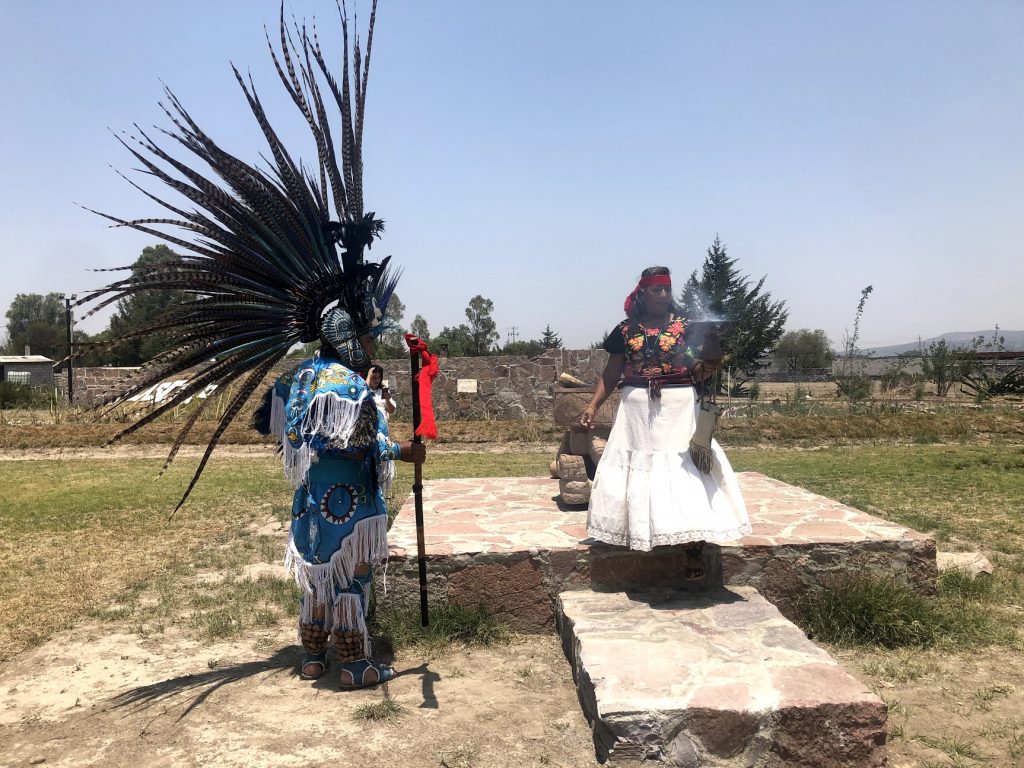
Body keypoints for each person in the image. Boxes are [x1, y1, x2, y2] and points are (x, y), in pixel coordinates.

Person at [579, 266, 750, 579]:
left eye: (667, 289)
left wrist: (712, 338)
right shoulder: (625, 331)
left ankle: (693, 549)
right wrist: (592, 405)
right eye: (656, 290)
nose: (662, 295)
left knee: (686, 473)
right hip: (635, 411)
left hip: (678, 407)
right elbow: (612, 372)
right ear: (643, 293)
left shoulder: (687, 328)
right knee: (639, 472)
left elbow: (707, 366)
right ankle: (639, 532)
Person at [283, 328, 425, 687]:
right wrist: (403, 451)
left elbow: (288, 433)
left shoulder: (302, 375)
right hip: (349, 500)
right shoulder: (349, 383)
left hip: (311, 496)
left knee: (317, 577)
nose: (371, 347)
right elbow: (362, 443)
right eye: (367, 340)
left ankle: (313, 658)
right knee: (351, 578)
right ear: (348, 341)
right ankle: (354, 665)